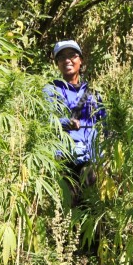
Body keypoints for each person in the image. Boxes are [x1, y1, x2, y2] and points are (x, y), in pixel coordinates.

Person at [43, 40, 106, 207]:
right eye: (61, 57)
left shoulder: (93, 93)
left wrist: (108, 155)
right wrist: (65, 122)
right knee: (69, 210)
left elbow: (105, 123)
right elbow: (47, 119)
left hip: (91, 159)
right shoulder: (51, 90)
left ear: (81, 60)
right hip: (65, 159)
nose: (67, 60)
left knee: (95, 211)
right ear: (57, 64)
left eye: (72, 55)